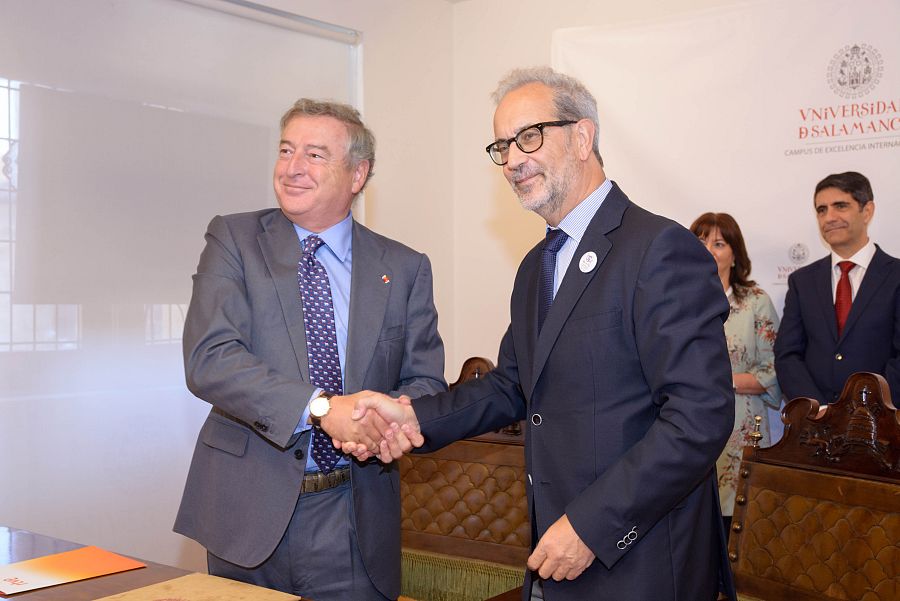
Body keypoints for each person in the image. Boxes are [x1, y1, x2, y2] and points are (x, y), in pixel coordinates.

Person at [346, 67, 736, 601]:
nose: (512, 160)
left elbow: (699, 418)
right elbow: (512, 385)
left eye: (529, 136)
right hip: (556, 556)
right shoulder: (537, 265)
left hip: (639, 560)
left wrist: (592, 526)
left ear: (583, 137)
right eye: (502, 146)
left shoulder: (659, 249)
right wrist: (412, 415)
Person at [173, 98, 446, 601]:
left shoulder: (404, 267)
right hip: (248, 514)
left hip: (354, 516)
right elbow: (210, 358)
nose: (293, 168)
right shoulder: (233, 239)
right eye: (286, 150)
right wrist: (322, 408)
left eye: (315, 155)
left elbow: (425, 382)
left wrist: (381, 424)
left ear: (357, 174)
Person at [690, 212, 781, 532]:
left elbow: (772, 370)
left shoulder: (756, 301)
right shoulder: (678, 302)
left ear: (734, 253)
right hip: (687, 425)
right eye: (700, 241)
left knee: (734, 524)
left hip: (740, 425)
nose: (708, 250)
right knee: (693, 520)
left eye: (718, 243)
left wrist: (718, 381)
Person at [774, 171, 900, 405]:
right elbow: (787, 355)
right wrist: (819, 410)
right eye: (821, 210)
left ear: (867, 211)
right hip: (817, 427)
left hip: (883, 425)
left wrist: (870, 409)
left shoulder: (895, 276)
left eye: (840, 206)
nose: (829, 217)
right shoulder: (802, 282)